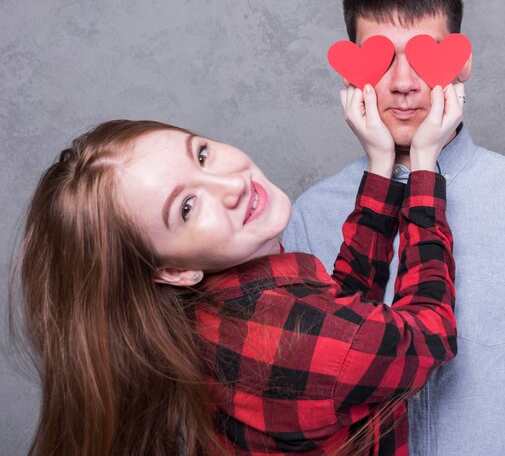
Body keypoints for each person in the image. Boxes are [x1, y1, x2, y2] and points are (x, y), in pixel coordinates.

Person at [12, 81, 464, 456]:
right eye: (187, 207)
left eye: (202, 154)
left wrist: (383, 167)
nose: (231, 184)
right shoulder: (282, 342)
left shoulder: (219, 315)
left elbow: (345, 316)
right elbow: (429, 332)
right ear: (171, 271)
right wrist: (423, 167)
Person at [283, 0, 505, 456]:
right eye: (381, 60)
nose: (403, 84)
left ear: (462, 66)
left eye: (423, 57)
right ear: (351, 71)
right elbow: (304, 408)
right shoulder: (311, 217)